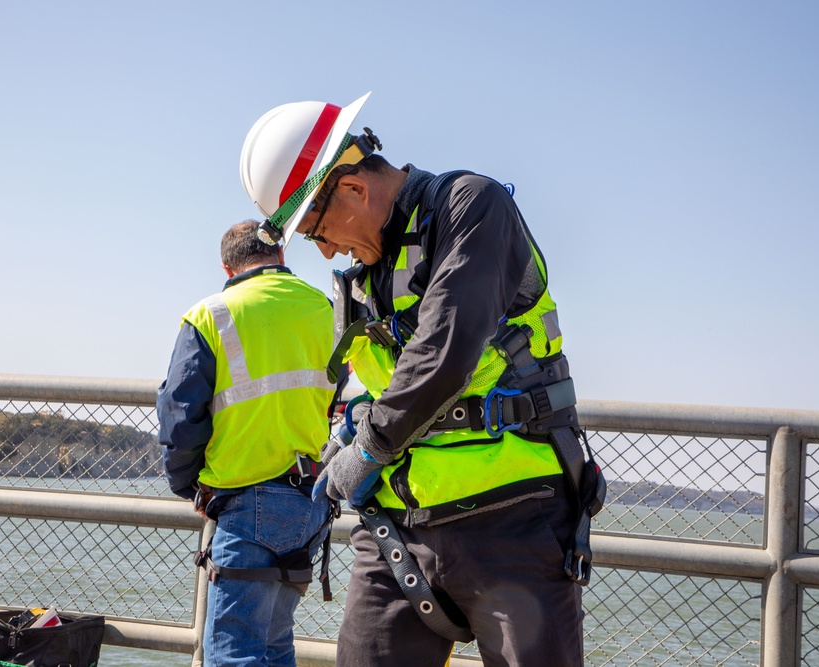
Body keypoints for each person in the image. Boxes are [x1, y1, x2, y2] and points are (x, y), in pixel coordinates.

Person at [238, 93, 604, 667]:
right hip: (394, 534)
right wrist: (350, 429)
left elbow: (445, 353)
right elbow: (376, 384)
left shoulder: (471, 207)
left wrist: (365, 449)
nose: (325, 249)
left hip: (513, 520)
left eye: (316, 229)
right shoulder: (361, 278)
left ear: (354, 189)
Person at [156, 220, 340, 667]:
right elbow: (335, 392)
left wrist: (189, 486)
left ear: (227, 266)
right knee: (276, 644)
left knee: (234, 652)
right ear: (280, 256)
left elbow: (180, 416)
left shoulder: (210, 314)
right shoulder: (328, 310)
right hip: (311, 500)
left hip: (245, 500)